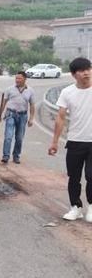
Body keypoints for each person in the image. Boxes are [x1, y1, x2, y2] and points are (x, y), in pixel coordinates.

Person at [49, 57, 92, 221]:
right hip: (75, 140)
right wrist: (54, 142)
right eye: (82, 70)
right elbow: (60, 117)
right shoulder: (67, 92)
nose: (87, 72)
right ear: (74, 75)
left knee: (91, 175)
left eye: (88, 68)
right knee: (73, 177)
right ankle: (76, 207)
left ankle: (91, 207)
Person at [0, 71, 35, 164]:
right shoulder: (9, 89)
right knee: (8, 136)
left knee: (19, 138)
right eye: (16, 78)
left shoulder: (30, 91)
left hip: (23, 116)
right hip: (10, 114)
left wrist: (31, 118)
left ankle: (16, 156)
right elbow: (4, 102)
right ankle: (5, 156)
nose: (17, 80)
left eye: (19, 78)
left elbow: (32, 105)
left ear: (25, 79)